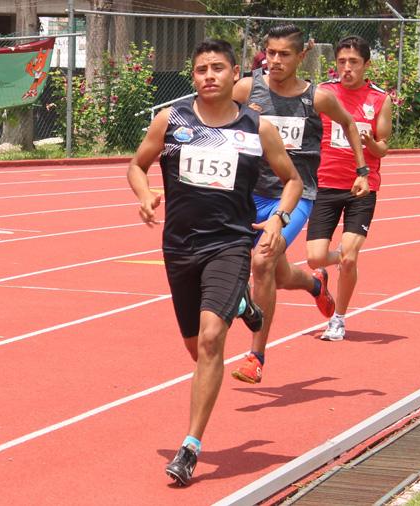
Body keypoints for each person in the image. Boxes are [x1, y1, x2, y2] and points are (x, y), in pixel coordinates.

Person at [127, 39, 302, 486]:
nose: (209, 75)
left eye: (218, 68)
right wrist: (145, 194)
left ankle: (190, 446)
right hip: (179, 248)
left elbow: (293, 181)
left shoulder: (256, 127)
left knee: (210, 342)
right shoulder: (172, 120)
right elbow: (136, 165)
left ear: (235, 73)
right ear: (193, 77)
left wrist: (279, 220)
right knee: (195, 349)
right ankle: (242, 305)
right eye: (201, 69)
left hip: (228, 245)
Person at [230, 25, 368, 384]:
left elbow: (350, 124)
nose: (275, 61)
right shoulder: (247, 89)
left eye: (284, 55)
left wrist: (362, 170)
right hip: (249, 193)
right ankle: (315, 284)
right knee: (275, 273)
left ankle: (256, 355)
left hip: (295, 194)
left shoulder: (316, 98)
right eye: (270, 53)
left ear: (300, 57)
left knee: (261, 262)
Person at [307, 36, 392, 341]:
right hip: (325, 184)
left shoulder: (380, 99)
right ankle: (329, 272)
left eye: (353, 62)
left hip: (362, 187)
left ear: (366, 65)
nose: (346, 68)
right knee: (315, 258)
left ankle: (338, 319)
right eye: (342, 62)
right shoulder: (325, 93)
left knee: (351, 257)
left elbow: (383, 148)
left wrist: (372, 144)